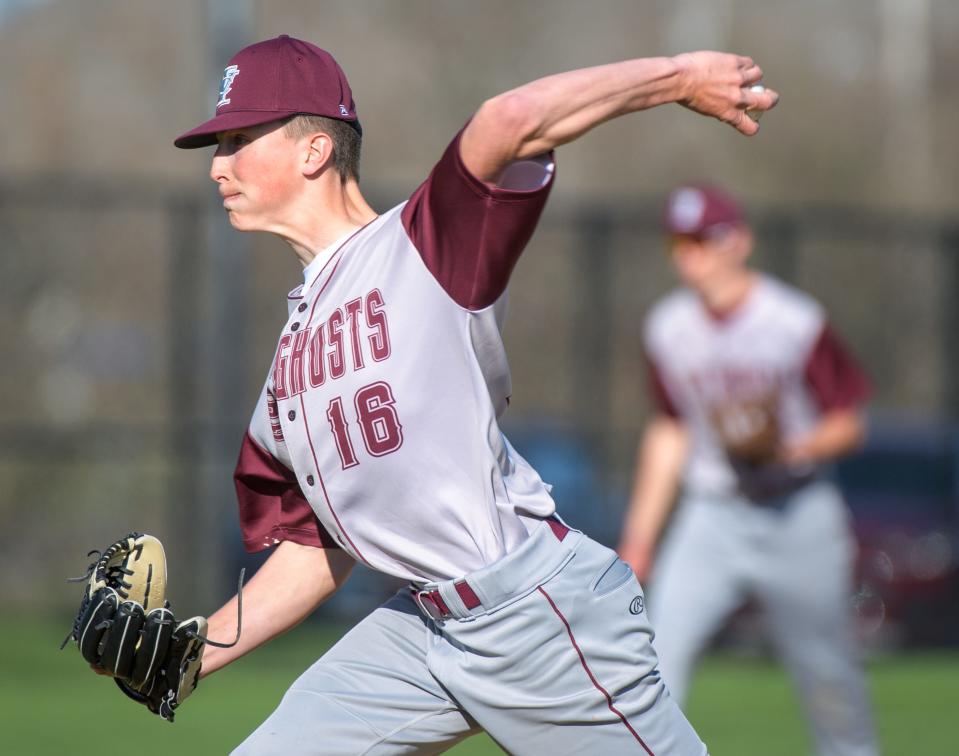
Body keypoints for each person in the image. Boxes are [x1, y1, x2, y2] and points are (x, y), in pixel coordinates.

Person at [174, 35, 777, 754]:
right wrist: (189, 654)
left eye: (239, 139)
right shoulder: (287, 367)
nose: (219, 166)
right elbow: (315, 550)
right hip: (423, 633)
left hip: (532, 614)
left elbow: (508, 118)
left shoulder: (422, 245)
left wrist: (679, 77)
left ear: (312, 152)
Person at [617, 184, 879, 756]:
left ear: (739, 241)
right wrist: (640, 537)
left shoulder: (793, 321)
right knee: (654, 659)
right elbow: (668, 430)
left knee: (829, 675)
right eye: (680, 244)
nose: (692, 257)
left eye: (704, 241)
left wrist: (796, 449)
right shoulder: (667, 327)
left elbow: (849, 420)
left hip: (798, 510)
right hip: (713, 512)